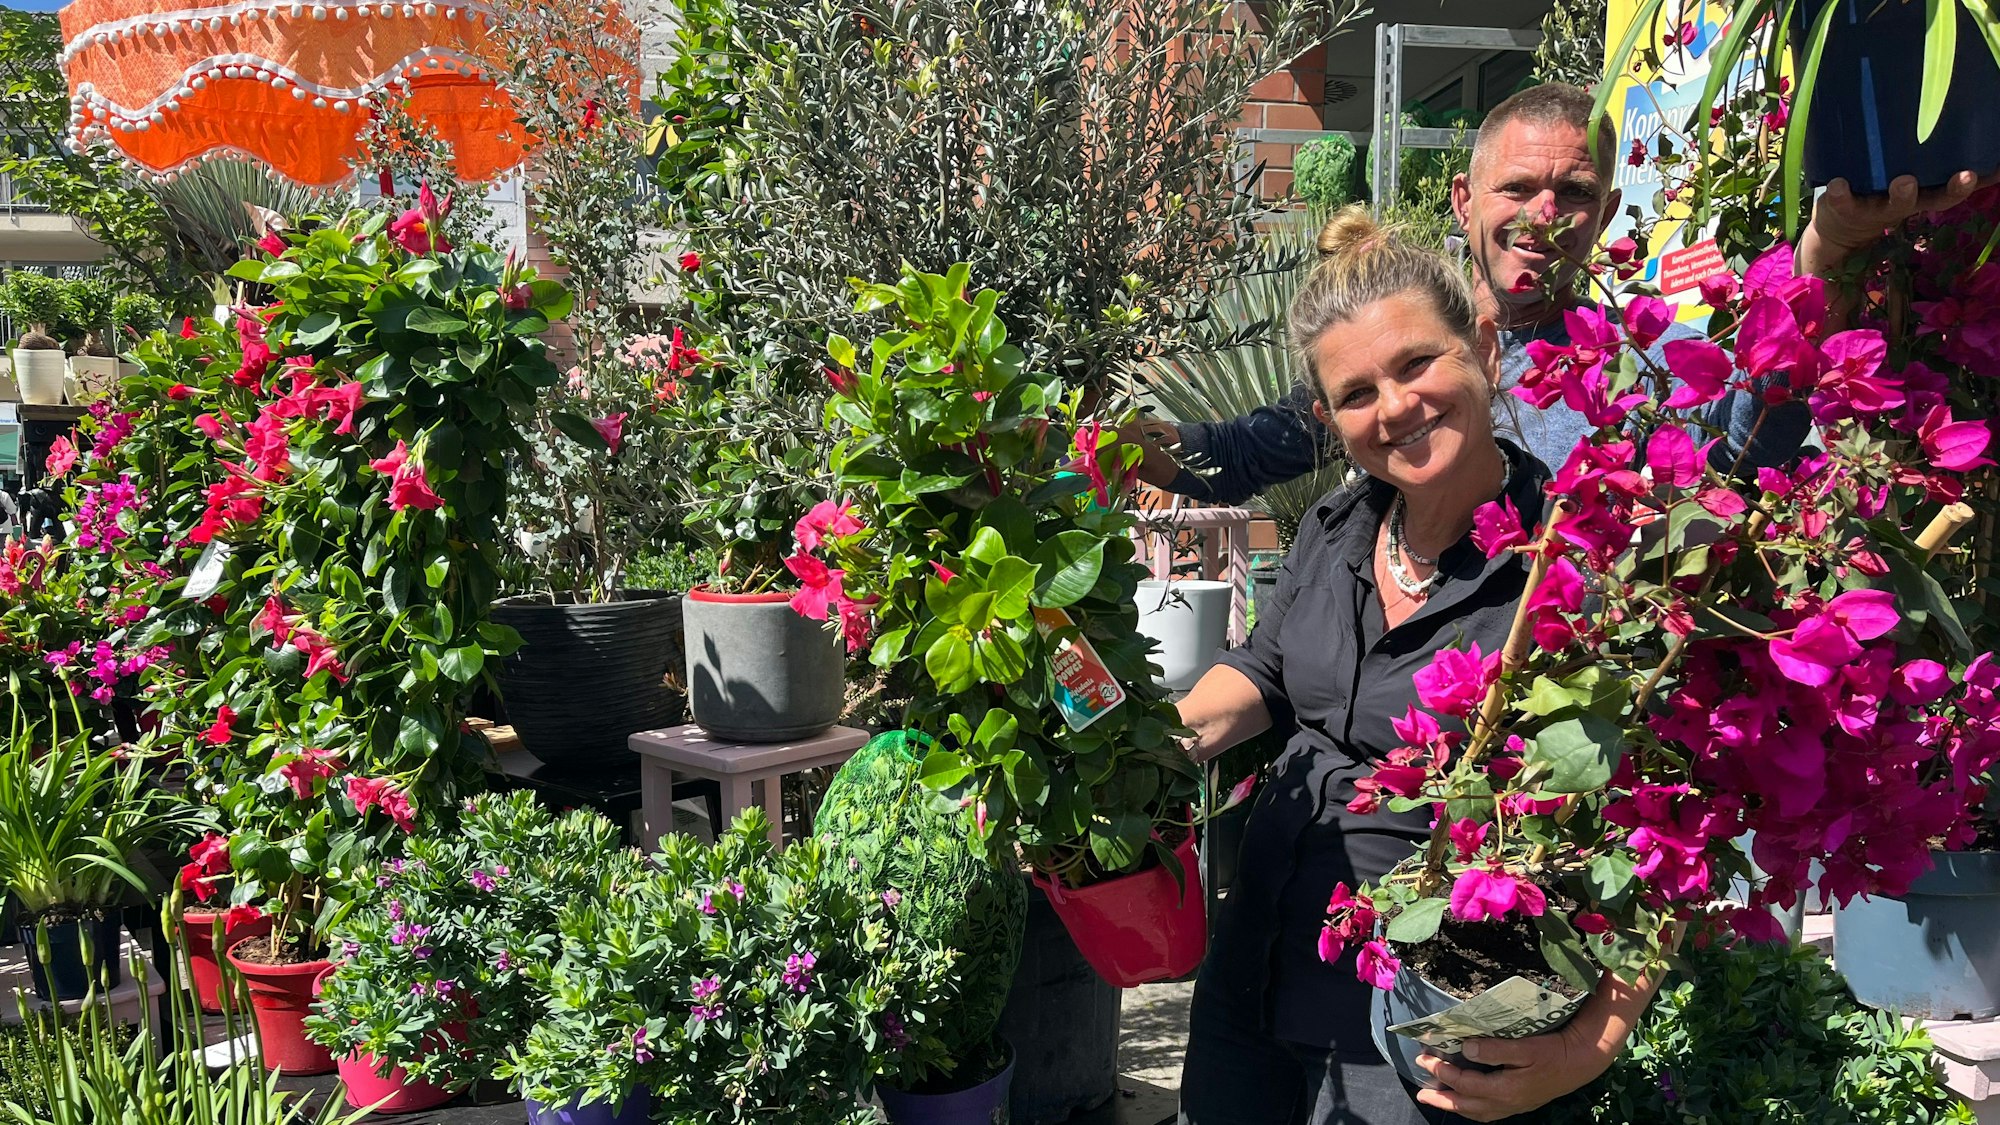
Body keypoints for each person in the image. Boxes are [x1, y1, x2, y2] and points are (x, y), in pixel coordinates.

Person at [1173, 206, 1660, 1125]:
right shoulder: (1333, 530)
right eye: (1357, 394)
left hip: (1434, 1033)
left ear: (1481, 343)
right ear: (1326, 418)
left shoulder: (1568, 570)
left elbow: (1660, 835)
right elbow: (1266, 671)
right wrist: (1153, 746)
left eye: (1415, 364)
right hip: (1256, 986)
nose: (1394, 408)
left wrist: (1584, 1046)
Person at [1129, 81, 1821, 504]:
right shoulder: (1398, 348)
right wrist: (1112, 445)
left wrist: (1821, 257)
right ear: (1465, 201)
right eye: (1517, 188)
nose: (1543, 214)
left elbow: (1745, 462)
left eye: (1574, 194)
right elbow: (1239, 455)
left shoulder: (1654, 354)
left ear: (1606, 215)